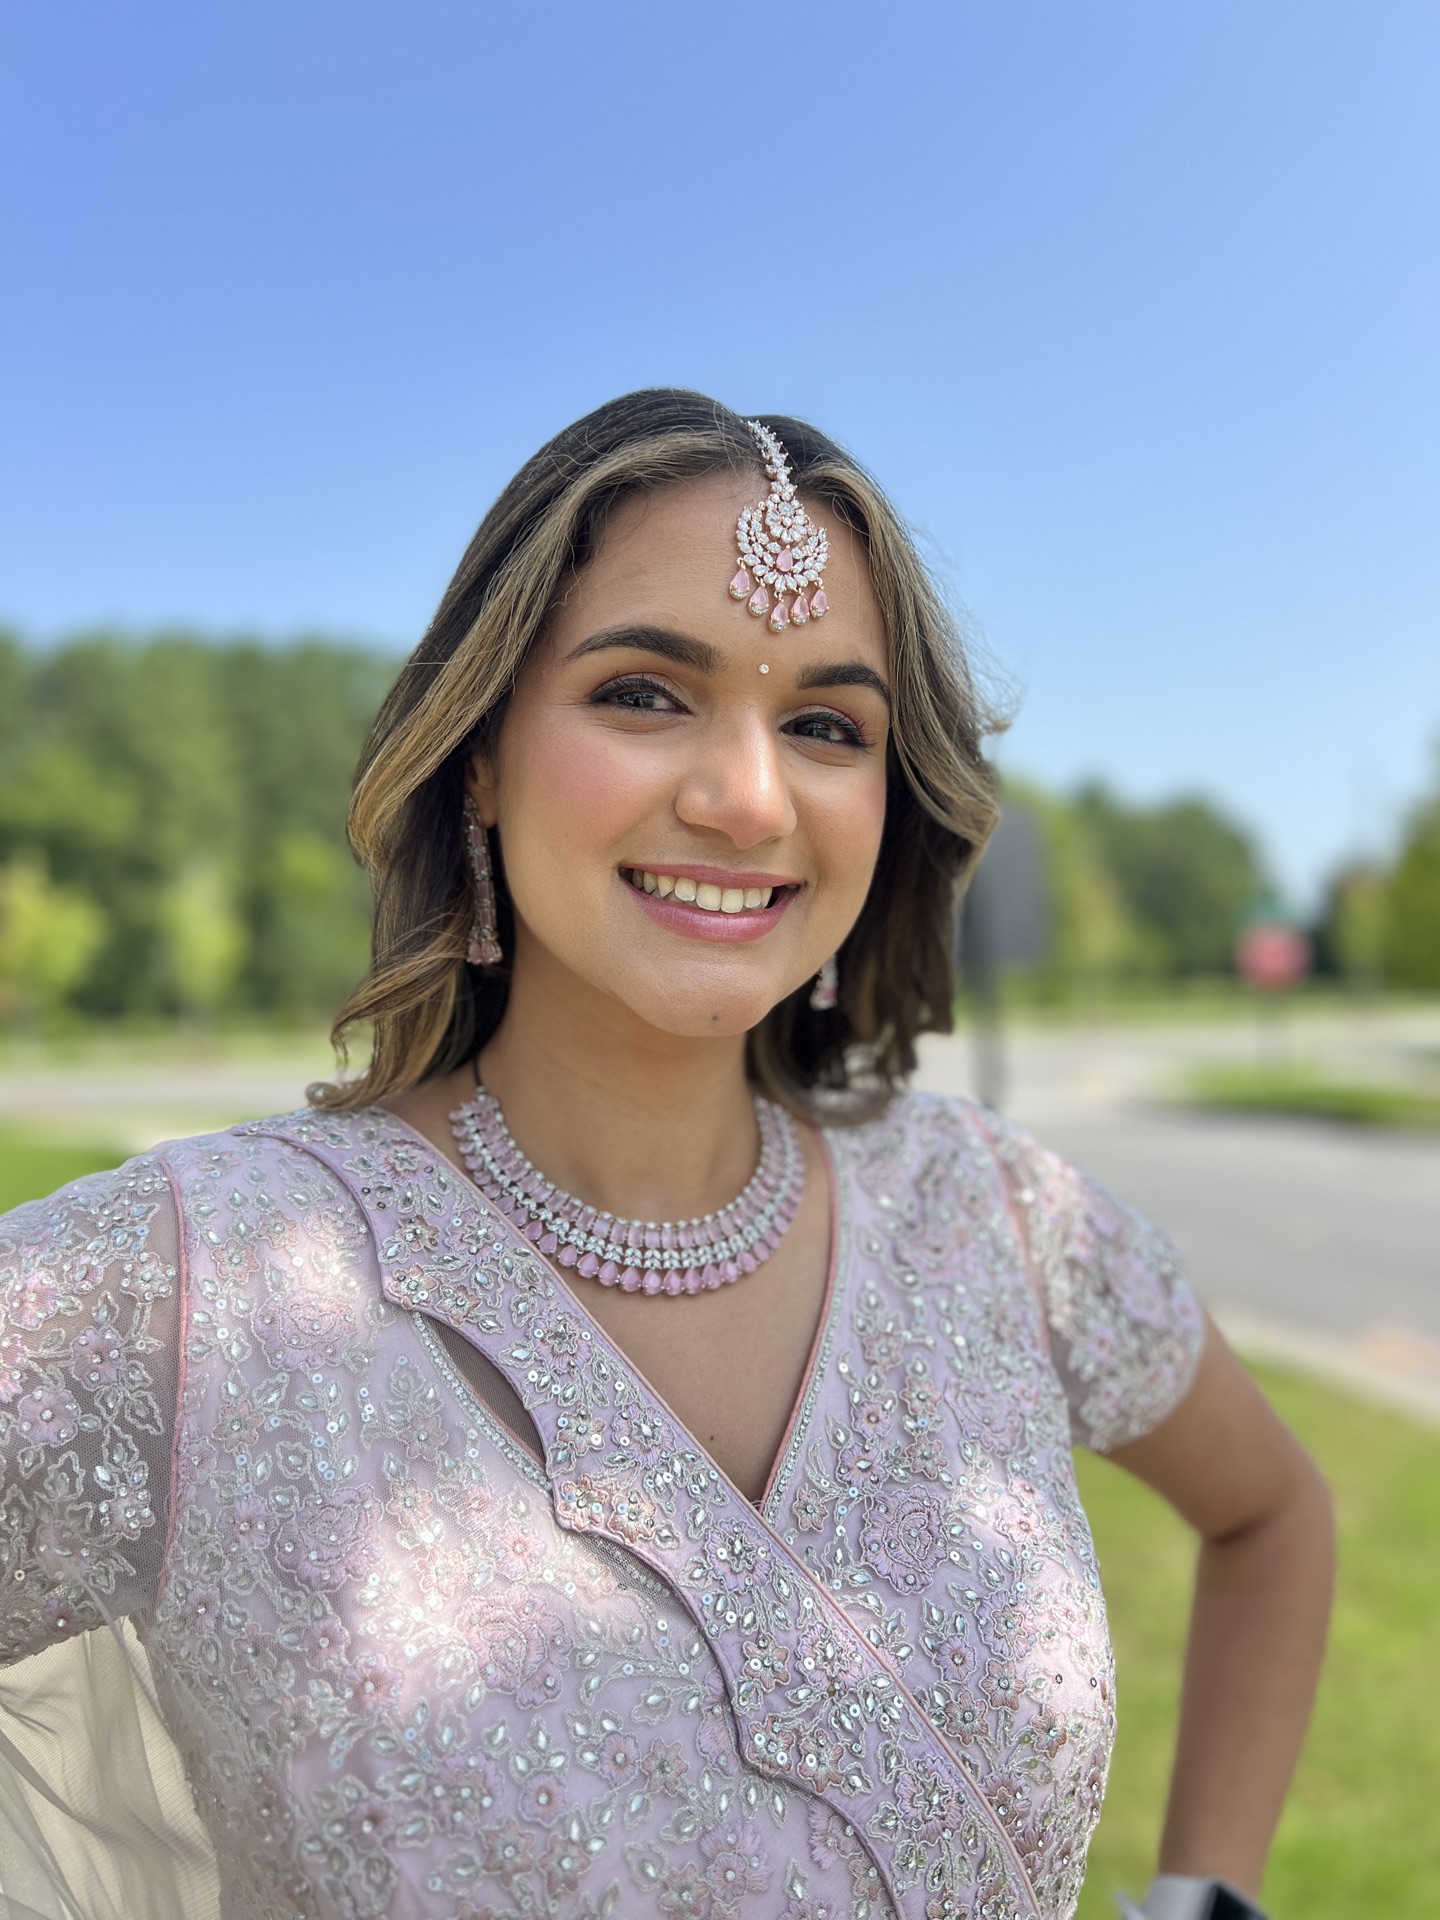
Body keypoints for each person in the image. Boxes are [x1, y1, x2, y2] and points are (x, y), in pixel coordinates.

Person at [0, 392, 1332, 1920]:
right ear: (481, 757)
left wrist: (1204, 1901)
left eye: (829, 725)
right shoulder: (193, 1288)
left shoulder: (997, 1218)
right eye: (644, 693)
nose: (748, 796)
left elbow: (1273, 1514)